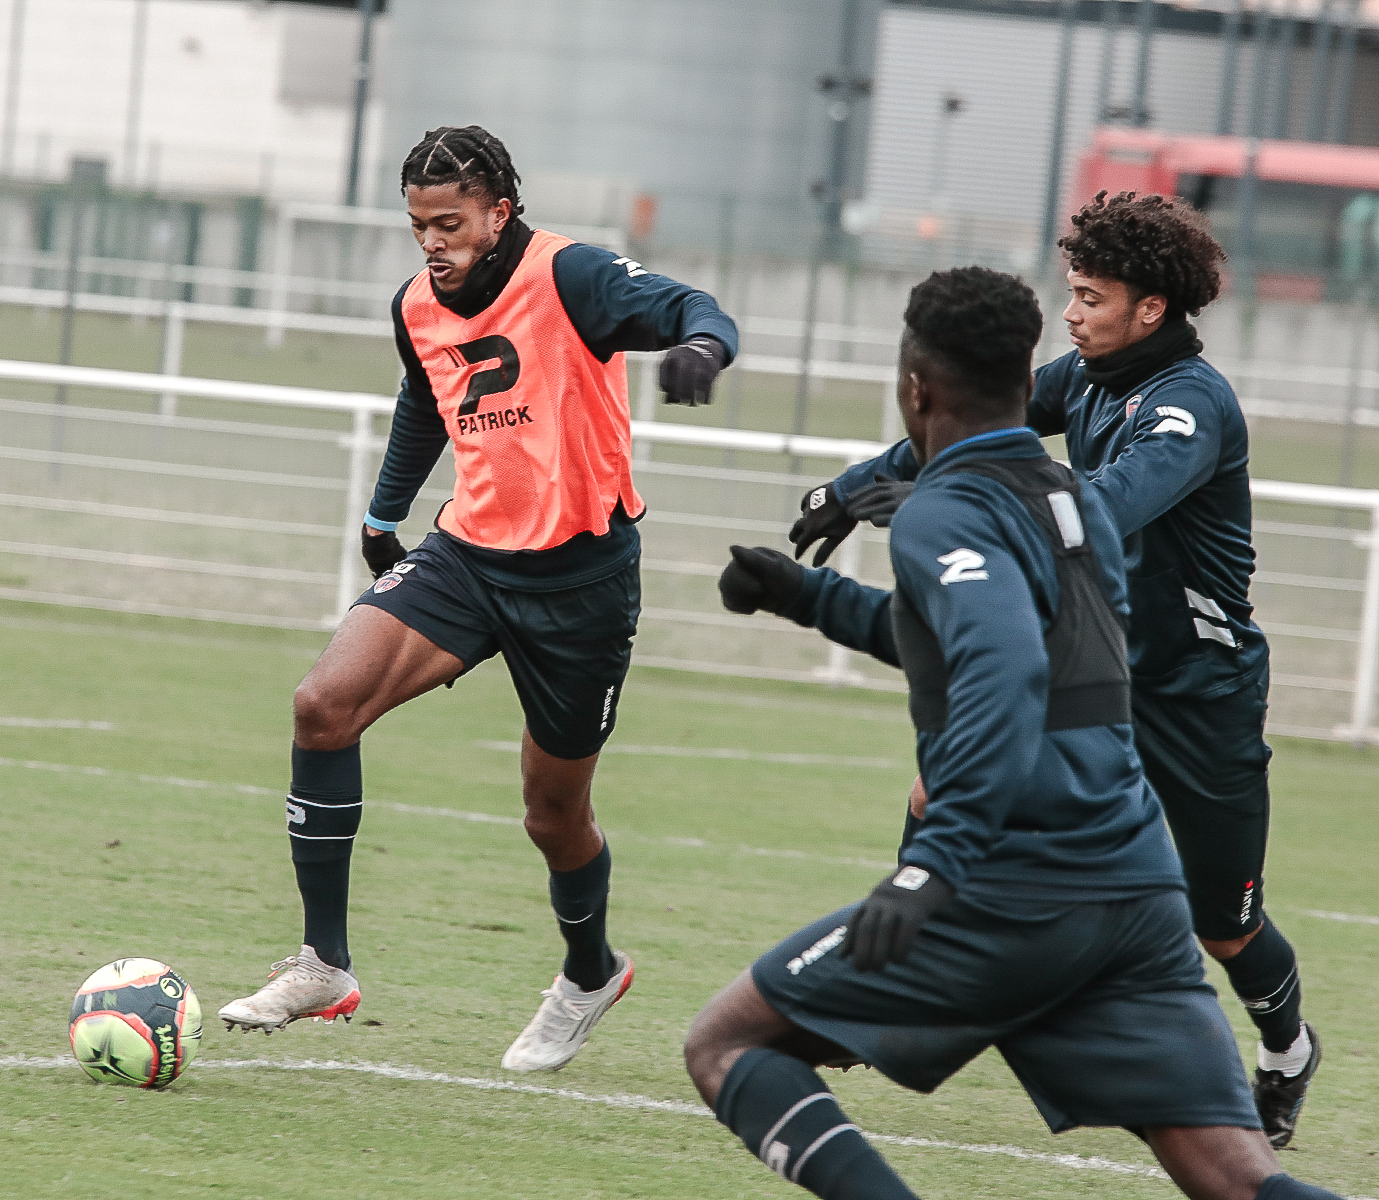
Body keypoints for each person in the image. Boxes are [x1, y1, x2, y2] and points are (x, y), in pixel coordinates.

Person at [689, 266, 1340, 1200]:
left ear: (916, 390)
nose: (1076, 313)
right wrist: (809, 596)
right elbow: (981, 637)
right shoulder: (1069, 504)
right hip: (1133, 884)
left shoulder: (960, 508)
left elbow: (1005, 669)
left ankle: (1283, 1040)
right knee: (1242, 1181)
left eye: (1094, 297)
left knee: (723, 1043)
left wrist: (933, 868)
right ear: (1028, 386)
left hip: (1022, 880)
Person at [218, 126, 738, 1073]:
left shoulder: (570, 275)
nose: (432, 242)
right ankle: (323, 963)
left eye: (450, 224)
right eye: (419, 225)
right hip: (468, 558)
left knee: (553, 814)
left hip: (581, 584)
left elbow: (693, 306)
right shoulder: (416, 304)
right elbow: (427, 397)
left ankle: (590, 972)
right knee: (322, 706)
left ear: (499, 213)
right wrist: (384, 514)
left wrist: (703, 346)